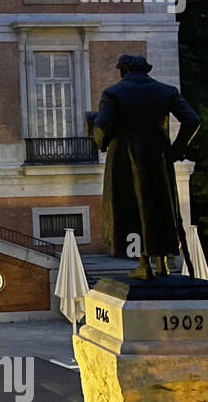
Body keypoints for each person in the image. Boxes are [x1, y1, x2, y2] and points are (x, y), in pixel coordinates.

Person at [85, 55, 200, 279]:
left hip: (125, 160)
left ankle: (143, 264)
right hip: (158, 156)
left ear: (124, 70)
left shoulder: (113, 93)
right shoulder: (167, 91)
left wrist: (98, 138)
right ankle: (162, 264)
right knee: (161, 206)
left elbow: (102, 125)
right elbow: (192, 120)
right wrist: (175, 150)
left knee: (132, 208)